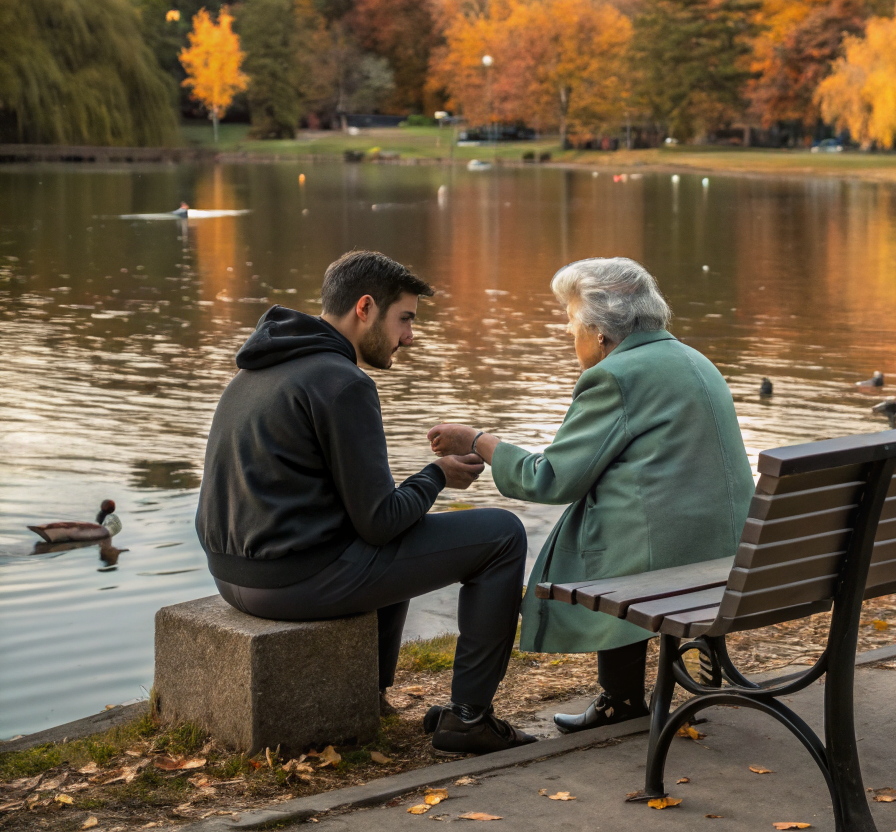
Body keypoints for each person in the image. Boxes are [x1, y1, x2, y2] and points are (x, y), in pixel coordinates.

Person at [196, 250, 534, 755]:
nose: (409, 338)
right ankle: (469, 718)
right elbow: (380, 522)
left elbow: (359, 509)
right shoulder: (343, 382)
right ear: (365, 307)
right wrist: (437, 475)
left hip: (233, 578)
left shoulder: (258, 370)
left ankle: (367, 695)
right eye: (405, 319)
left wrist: (414, 491)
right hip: (296, 583)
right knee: (502, 535)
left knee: (403, 527)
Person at [427, 257, 754, 733]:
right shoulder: (693, 359)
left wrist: (479, 441)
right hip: (728, 552)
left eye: (571, 320)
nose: (568, 333)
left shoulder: (614, 376)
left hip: (669, 564)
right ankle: (675, 660)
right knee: (627, 512)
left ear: (600, 332)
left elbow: (551, 479)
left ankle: (620, 699)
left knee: (606, 540)